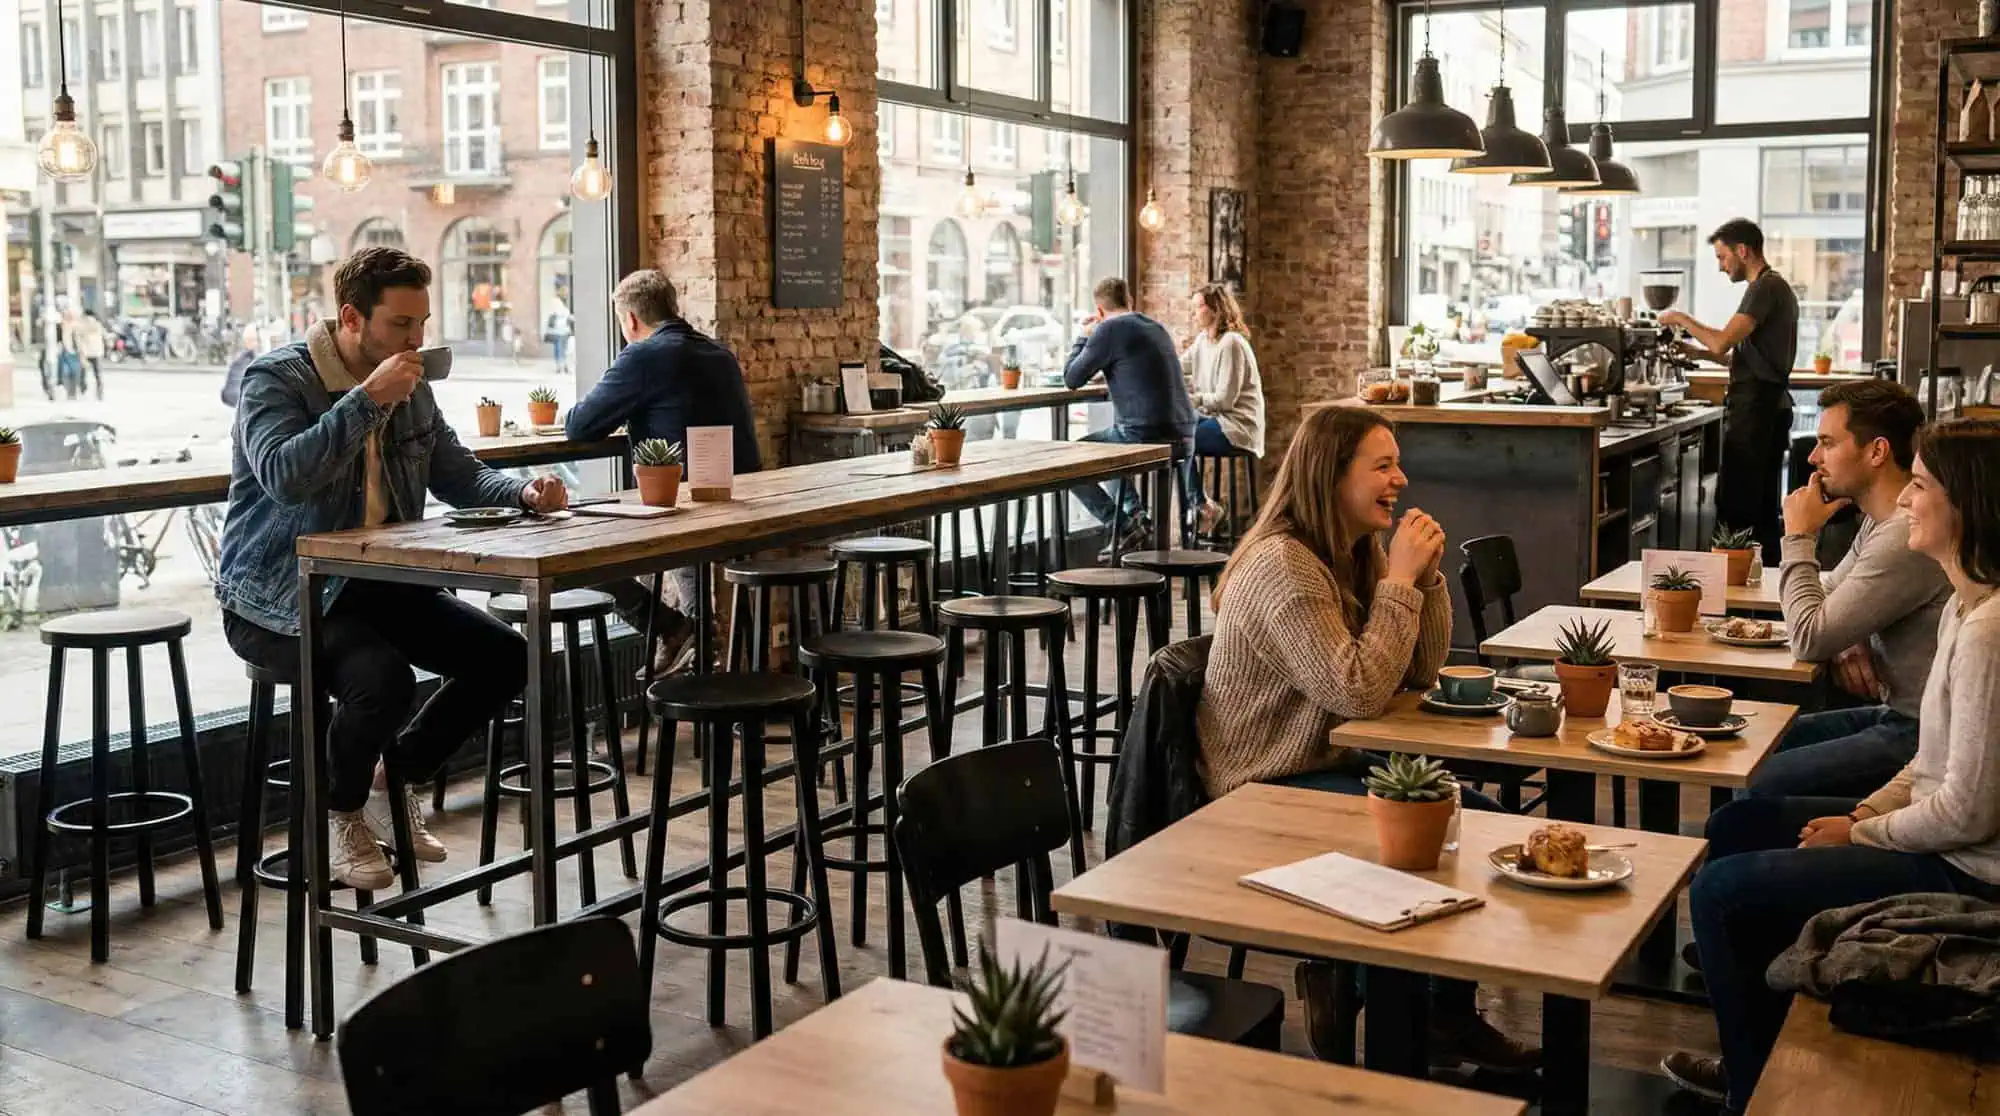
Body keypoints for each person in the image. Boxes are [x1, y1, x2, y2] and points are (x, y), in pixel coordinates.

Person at [1660, 419, 2000, 1113]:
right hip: (1938, 837)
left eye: (1924, 487)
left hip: (1970, 870)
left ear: (1968, 506)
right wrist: (1867, 812)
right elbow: (1930, 762)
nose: (1907, 501)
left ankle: (1753, 1091)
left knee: (1719, 892)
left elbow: (1967, 811)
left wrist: (1861, 834)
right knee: (1743, 820)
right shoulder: (1963, 607)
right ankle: (1751, 1034)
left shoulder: (1990, 631)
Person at [1195, 404, 1537, 1074]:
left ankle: (1440, 1016)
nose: (1400, 479)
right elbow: (1356, 689)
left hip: (1327, 764)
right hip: (1264, 786)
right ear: (1331, 477)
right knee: (1437, 834)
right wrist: (1402, 582)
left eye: (1396, 464)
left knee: (1481, 823)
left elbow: (1414, 670)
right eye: (1382, 465)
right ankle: (1368, 995)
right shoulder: (1283, 568)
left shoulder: (1349, 553)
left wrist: (1425, 579)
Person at [216, 247, 568, 891]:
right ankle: (339, 815)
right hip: (276, 597)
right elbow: (285, 477)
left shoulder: (414, 391)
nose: (417, 340)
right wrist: (365, 401)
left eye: (423, 324)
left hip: (379, 586)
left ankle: (392, 778)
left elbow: (458, 473)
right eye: (401, 326)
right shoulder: (276, 380)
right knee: (383, 680)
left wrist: (521, 492)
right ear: (352, 318)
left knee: (509, 657)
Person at [1750, 381, 1951, 799]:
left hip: (1920, 733)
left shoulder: (1901, 535)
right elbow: (1828, 597)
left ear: (1876, 451)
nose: (1813, 457)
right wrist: (1849, 634)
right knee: (1746, 747)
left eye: (1827, 443)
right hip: (1893, 714)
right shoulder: (1881, 521)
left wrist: (1799, 535)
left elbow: (1808, 637)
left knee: (1756, 780)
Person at [565, 269, 762, 675]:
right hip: (742, 503)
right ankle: (699, 644)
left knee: (577, 554)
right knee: (685, 537)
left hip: (686, 513)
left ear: (631, 320)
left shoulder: (644, 355)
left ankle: (675, 630)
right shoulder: (719, 353)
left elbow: (580, 426)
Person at [1659, 218, 1800, 556]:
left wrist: (1680, 318)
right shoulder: (1772, 287)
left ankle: (1735, 595)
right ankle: (1761, 594)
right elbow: (1741, 356)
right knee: (1760, 511)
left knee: (1739, 511)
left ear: (1743, 251)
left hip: (1757, 412)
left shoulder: (1764, 288)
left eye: (1722, 258)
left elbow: (1723, 342)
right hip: (1766, 408)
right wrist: (1696, 353)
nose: (1721, 268)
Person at [1062, 277, 1197, 555]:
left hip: (1145, 434)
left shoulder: (1108, 329)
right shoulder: (1154, 326)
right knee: (1108, 447)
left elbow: (1072, 378)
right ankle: (1135, 516)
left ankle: (1123, 524)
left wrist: (1084, 336)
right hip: (1185, 434)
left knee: (1072, 460)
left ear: (1099, 312)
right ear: (1130, 302)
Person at [1182, 283, 1265, 536]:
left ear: (1215, 310)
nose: (1194, 313)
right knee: (1175, 432)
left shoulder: (1231, 343)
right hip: (1215, 420)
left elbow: (1225, 400)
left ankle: (1203, 507)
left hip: (1238, 427)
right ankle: (1202, 506)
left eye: (1198, 307)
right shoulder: (1202, 342)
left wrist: (1192, 400)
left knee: (1179, 441)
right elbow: (1177, 366)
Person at [73, 311, 107, 400]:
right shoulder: (82, 327)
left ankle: (98, 393)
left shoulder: (98, 326)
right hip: (87, 353)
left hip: (95, 353)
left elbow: (105, 335)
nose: (89, 321)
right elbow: (78, 339)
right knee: (85, 374)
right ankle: (85, 389)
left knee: (97, 374)